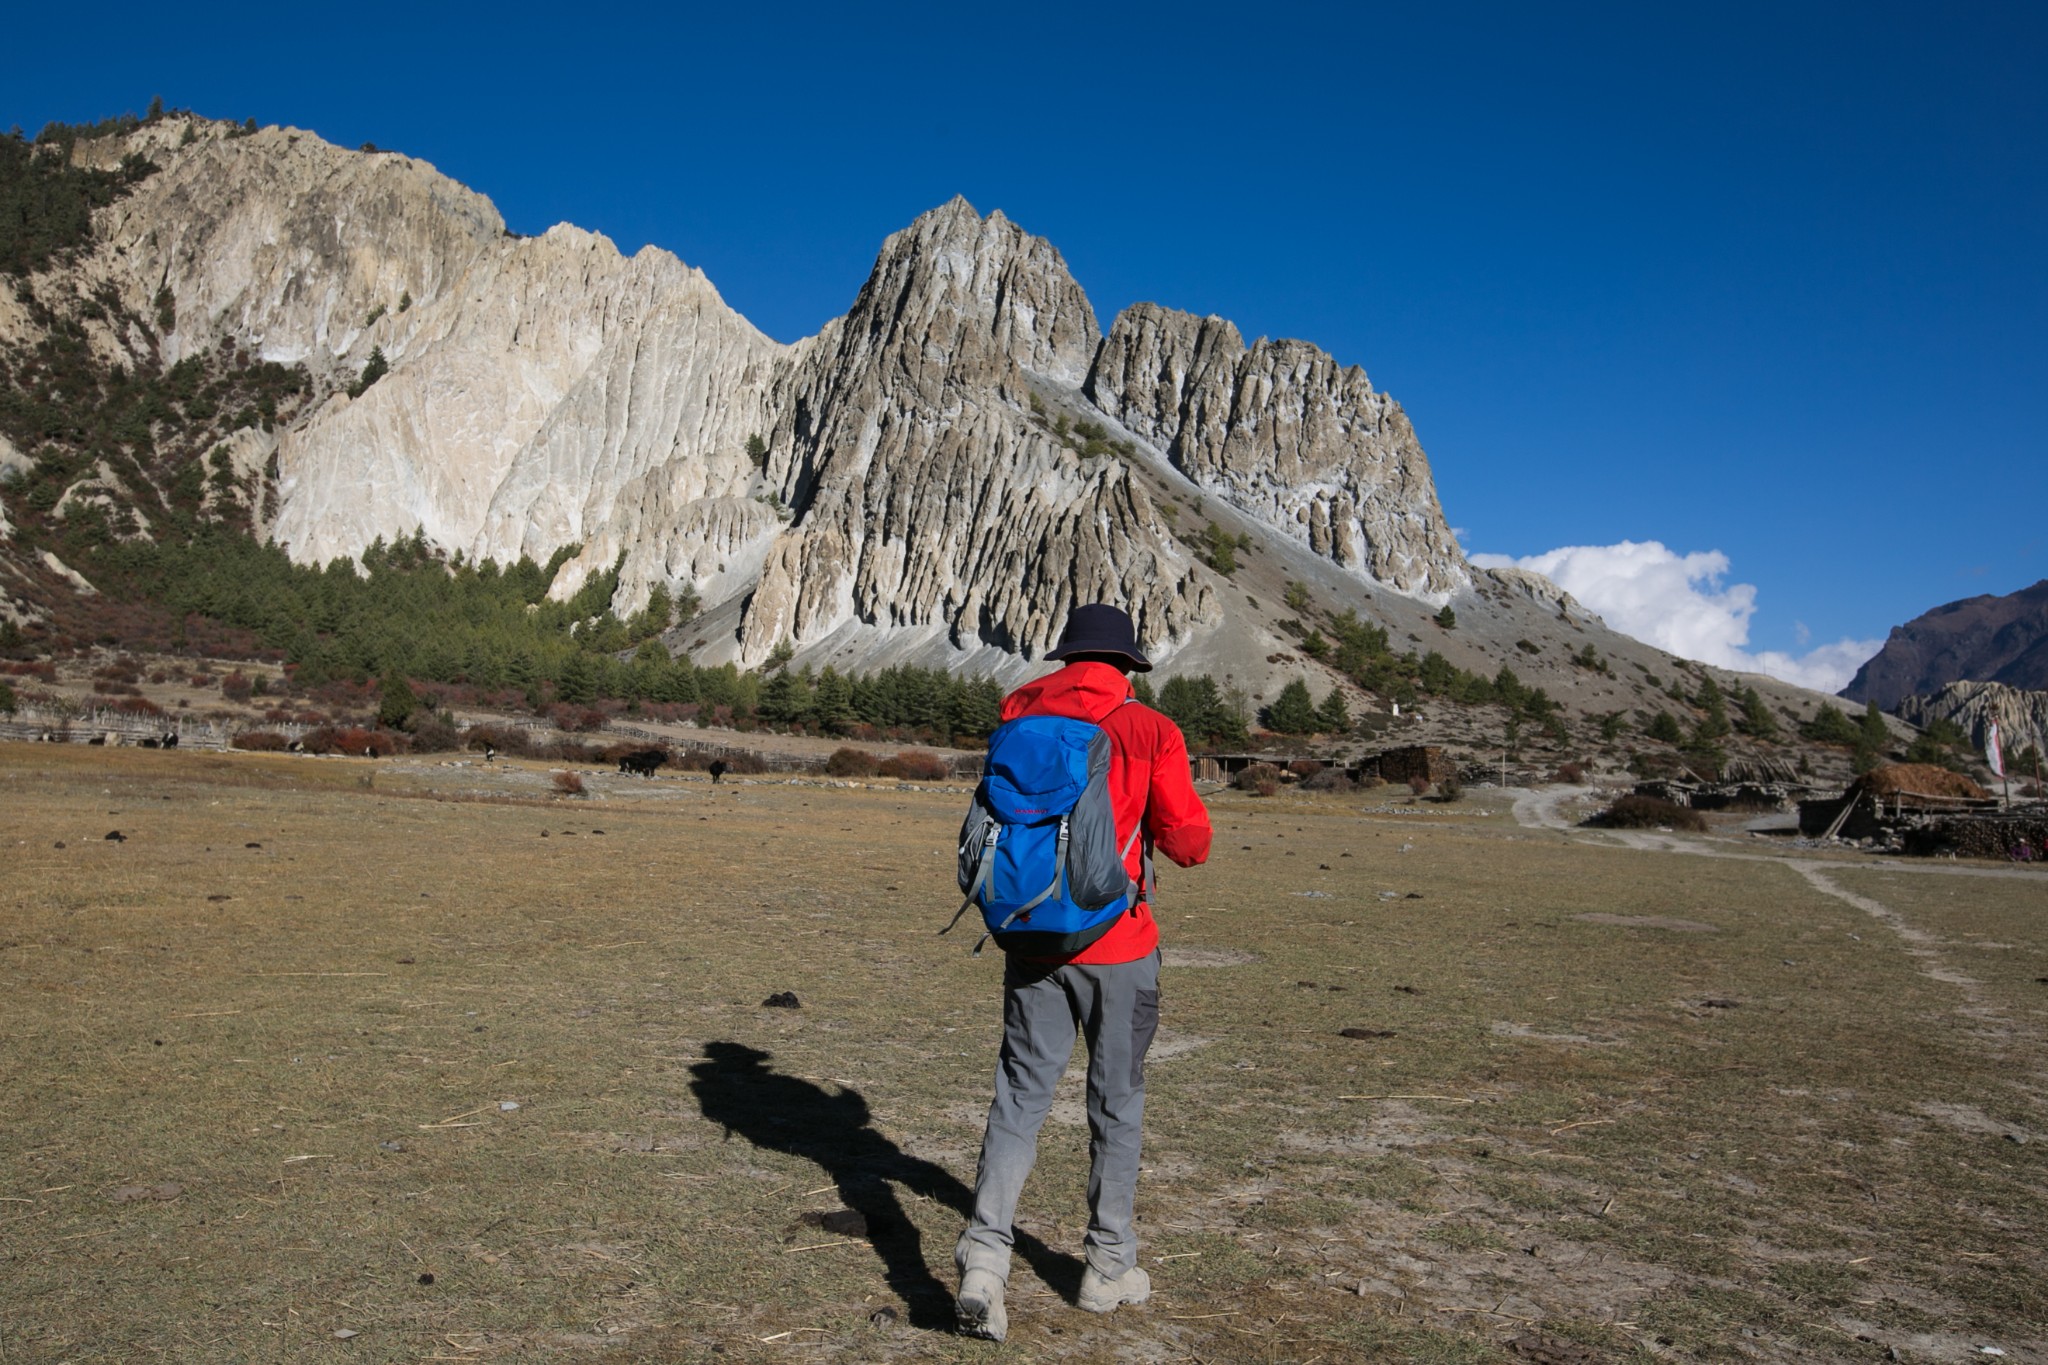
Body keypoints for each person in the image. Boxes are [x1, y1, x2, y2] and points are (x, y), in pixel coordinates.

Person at [955, 604, 1213, 1342]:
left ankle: (984, 1258)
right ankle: (1105, 1266)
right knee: (1117, 1102)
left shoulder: (1017, 708)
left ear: (1067, 656)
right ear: (1127, 663)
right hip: (1119, 946)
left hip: (1030, 937)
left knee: (1019, 1097)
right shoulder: (1149, 728)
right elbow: (1189, 841)